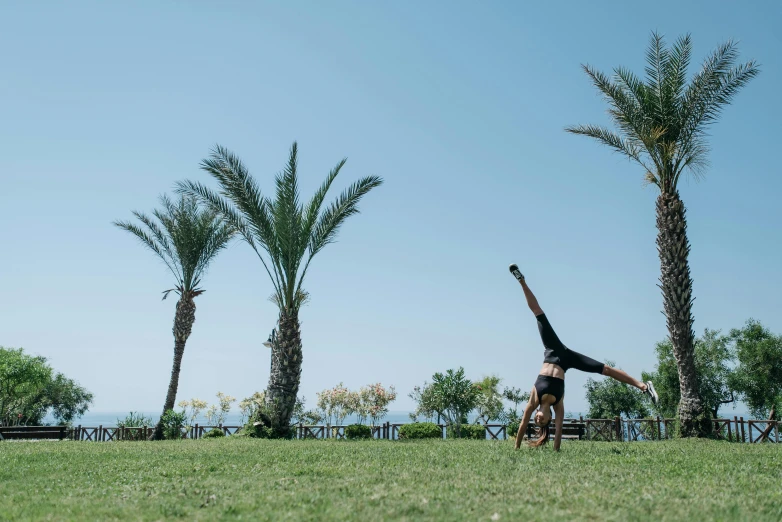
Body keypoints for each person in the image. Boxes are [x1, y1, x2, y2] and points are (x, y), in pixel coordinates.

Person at [509, 264, 658, 451]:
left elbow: (523, 422)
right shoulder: (558, 404)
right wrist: (556, 450)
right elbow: (560, 428)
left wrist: (516, 449)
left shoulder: (534, 400)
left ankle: (521, 280)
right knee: (606, 369)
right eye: (542, 422)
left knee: (538, 313)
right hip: (567, 360)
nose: (538, 419)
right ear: (548, 420)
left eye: (536, 419)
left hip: (552, 350)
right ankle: (644, 387)